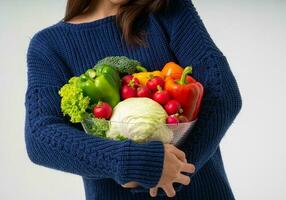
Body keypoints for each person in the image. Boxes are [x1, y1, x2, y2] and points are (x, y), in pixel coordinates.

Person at [24, 0, 242, 199]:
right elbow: (40, 136)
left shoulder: (169, 9)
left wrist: (176, 169)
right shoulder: (49, 45)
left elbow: (223, 93)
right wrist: (132, 162)